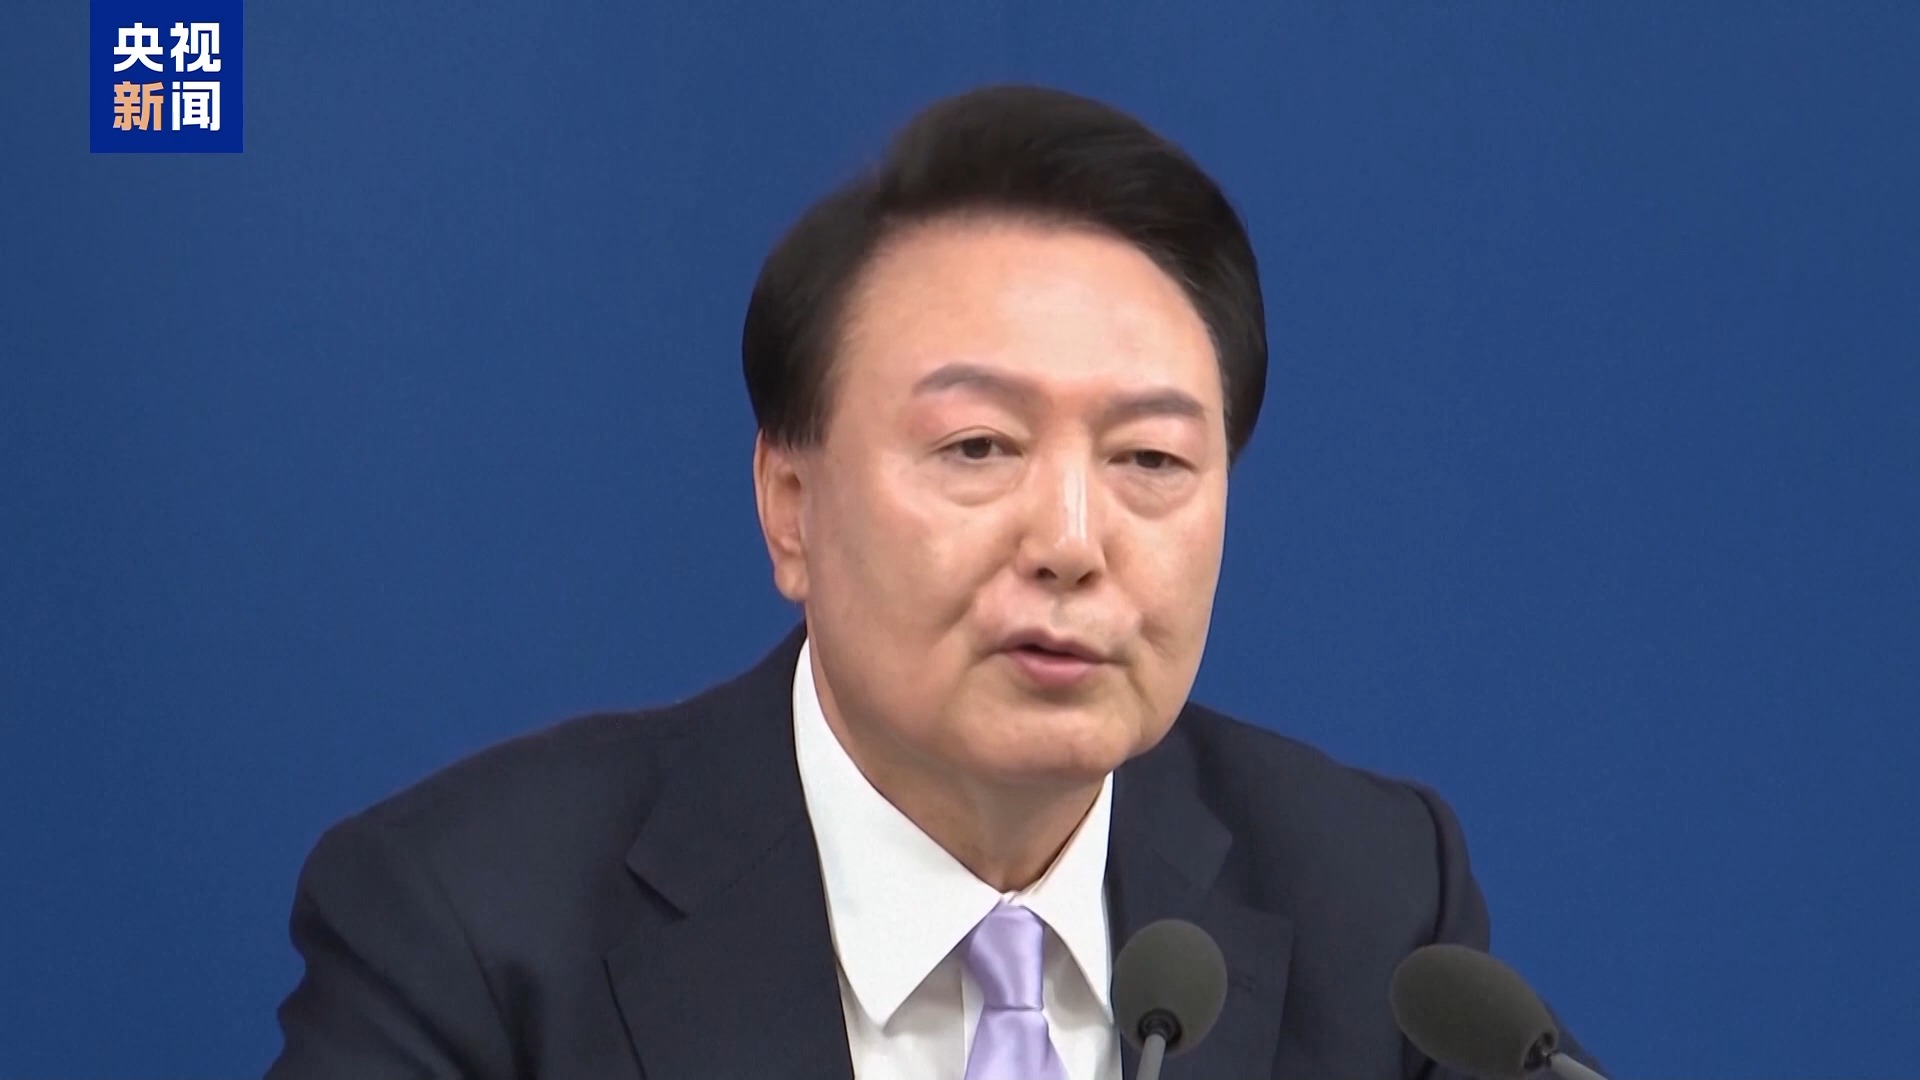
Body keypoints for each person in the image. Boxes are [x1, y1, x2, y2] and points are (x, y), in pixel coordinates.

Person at [265, 84, 1594, 1080]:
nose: (1070, 540)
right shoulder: (472, 925)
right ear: (791, 506)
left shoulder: (1371, 900)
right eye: (978, 447)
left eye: (1149, 458)